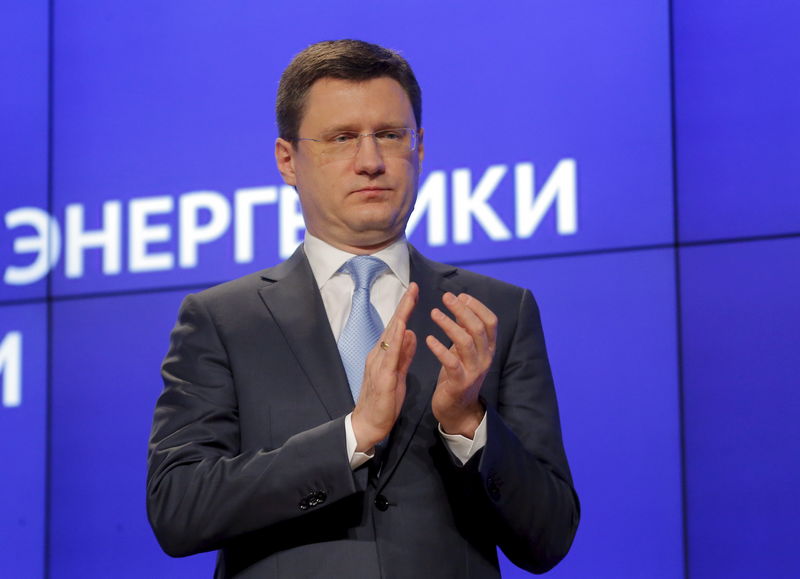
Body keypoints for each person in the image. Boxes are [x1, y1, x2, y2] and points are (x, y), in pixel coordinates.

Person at [147, 39, 579, 578]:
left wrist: (468, 423)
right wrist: (351, 436)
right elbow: (178, 508)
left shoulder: (494, 313)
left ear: (419, 148)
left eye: (390, 136)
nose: (370, 161)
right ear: (288, 160)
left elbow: (550, 536)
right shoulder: (223, 320)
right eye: (342, 138)